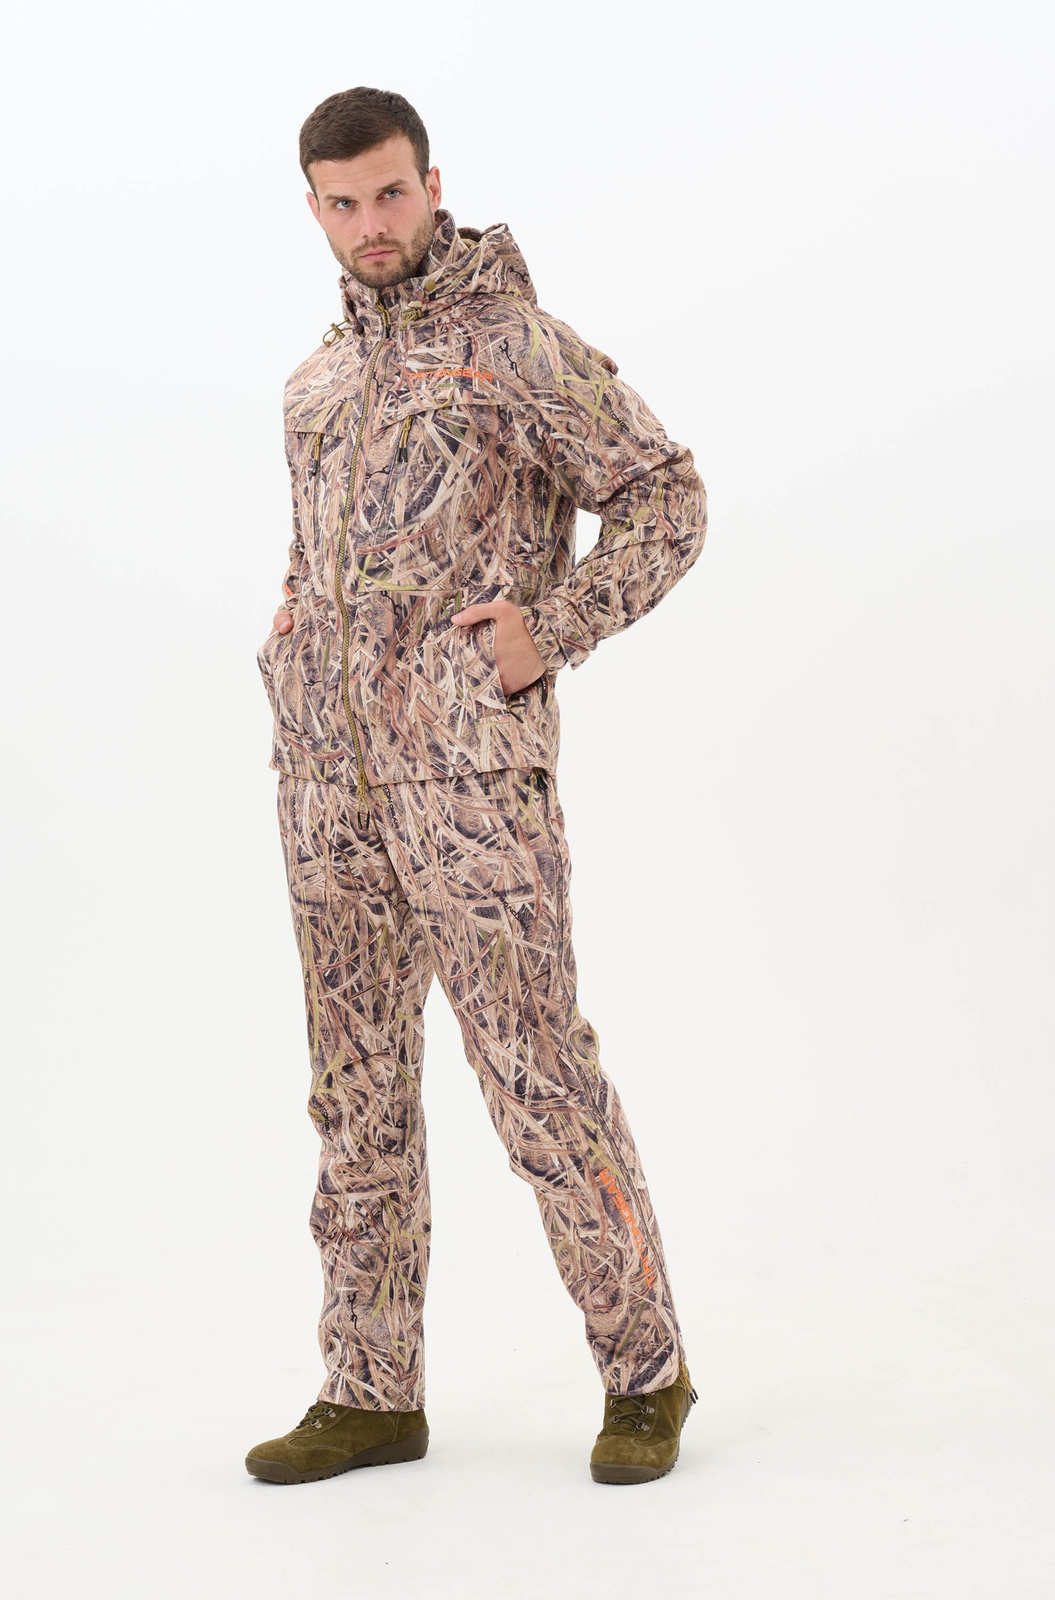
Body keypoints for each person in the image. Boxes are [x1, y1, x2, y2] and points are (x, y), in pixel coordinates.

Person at [244, 85, 707, 1487]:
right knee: (354, 1090)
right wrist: (290, 644)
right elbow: (319, 559)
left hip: (469, 783)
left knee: (535, 1073)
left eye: (390, 193)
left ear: (432, 185)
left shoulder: (514, 346)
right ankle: (371, 1390)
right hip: (328, 788)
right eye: (342, 203)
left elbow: (667, 497)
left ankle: (648, 1373)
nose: (371, 225)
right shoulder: (314, 384)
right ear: (312, 209)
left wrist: (550, 627)